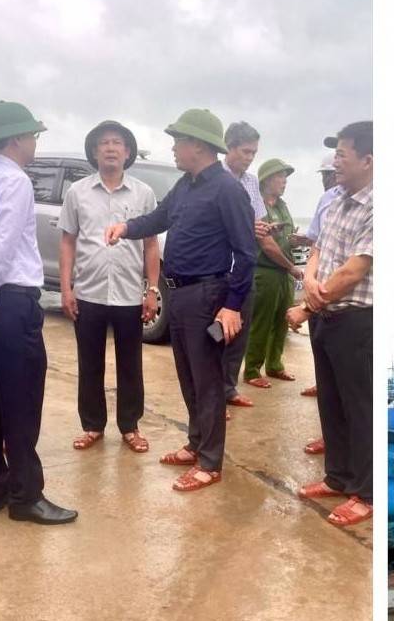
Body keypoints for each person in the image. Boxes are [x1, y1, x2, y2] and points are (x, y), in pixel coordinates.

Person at [104, 108, 256, 492]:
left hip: (210, 294)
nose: (173, 148)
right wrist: (126, 227)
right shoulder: (186, 185)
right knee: (188, 376)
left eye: (178, 141)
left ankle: (210, 462)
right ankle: (195, 442)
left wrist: (232, 305)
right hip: (181, 292)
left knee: (208, 381)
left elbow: (246, 252)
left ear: (198, 146)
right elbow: (160, 218)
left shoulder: (227, 189)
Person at [0, 101, 77, 524]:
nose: (36, 143)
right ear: (18, 138)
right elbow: (1, 249)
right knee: (22, 402)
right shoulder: (14, 181)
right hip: (8, 302)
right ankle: (26, 495)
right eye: (34, 136)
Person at [286, 121, 373, 526]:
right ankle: (337, 478)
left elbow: (356, 269)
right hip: (326, 317)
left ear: (368, 160)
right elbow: (319, 250)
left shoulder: (379, 206)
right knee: (331, 403)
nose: (335, 162)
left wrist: (313, 299)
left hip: (358, 320)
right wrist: (309, 281)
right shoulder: (337, 199)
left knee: (360, 408)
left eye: (342, 154)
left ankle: (366, 493)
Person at [60, 120, 159, 454]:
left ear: (127, 151)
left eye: (118, 143)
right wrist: (66, 288)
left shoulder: (143, 193)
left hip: (130, 293)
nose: (111, 148)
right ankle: (92, 426)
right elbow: (68, 241)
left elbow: (150, 245)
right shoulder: (78, 192)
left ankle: (130, 426)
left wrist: (151, 290)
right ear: (94, 151)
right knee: (90, 363)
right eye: (104, 143)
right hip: (88, 291)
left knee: (130, 363)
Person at [292, 153, 344, 453]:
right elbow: (316, 242)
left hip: (342, 303)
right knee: (324, 365)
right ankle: (332, 439)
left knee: (348, 383)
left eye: (331, 172)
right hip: (319, 297)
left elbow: (353, 268)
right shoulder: (327, 200)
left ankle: (344, 447)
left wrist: (306, 306)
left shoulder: (368, 201)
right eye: (326, 173)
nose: (328, 178)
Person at [243, 158, 303, 387]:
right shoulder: (257, 205)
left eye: (286, 177)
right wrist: (292, 267)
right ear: (267, 179)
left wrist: (294, 240)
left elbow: (283, 237)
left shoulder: (281, 206)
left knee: (282, 319)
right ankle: (252, 370)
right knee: (262, 321)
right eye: (280, 177)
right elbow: (267, 244)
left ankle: (275, 365)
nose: (284, 182)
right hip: (265, 270)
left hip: (284, 272)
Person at [221, 121, 268, 411]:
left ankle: (228, 388)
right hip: (218, 267)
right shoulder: (214, 179)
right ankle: (212, 399)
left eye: (254, 152)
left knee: (240, 332)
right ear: (229, 147)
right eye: (245, 151)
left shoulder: (251, 182)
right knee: (216, 336)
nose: (250, 158)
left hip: (243, 268)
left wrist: (262, 229)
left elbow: (257, 219)